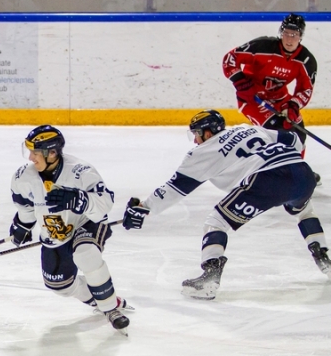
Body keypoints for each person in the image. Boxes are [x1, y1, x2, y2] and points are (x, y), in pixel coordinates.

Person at [122, 110, 331, 300]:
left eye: (196, 133)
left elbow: (174, 189)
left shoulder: (202, 153)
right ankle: (324, 259)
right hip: (303, 174)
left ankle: (210, 277)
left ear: (208, 132)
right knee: (305, 210)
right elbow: (295, 141)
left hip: (267, 180)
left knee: (217, 221)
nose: (195, 140)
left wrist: (145, 207)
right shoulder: (247, 129)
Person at [10, 125, 133, 335]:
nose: (31, 158)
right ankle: (104, 299)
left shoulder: (81, 171)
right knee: (60, 285)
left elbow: (105, 203)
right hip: (55, 232)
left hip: (87, 223)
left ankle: (111, 309)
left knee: (86, 253)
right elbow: (27, 207)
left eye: (36, 152)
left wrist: (79, 199)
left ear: (52, 152)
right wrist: (22, 225)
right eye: (29, 151)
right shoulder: (23, 177)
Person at [222, 13, 320, 182]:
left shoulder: (306, 60)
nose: (289, 39)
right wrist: (240, 82)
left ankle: (297, 173)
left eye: (294, 35)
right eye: (287, 34)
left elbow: (305, 89)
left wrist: (293, 105)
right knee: (278, 133)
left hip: (281, 99)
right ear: (281, 32)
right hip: (253, 99)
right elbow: (230, 59)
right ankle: (271, 173)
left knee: (298, 134)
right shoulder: (262, 46)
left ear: (301, 37)